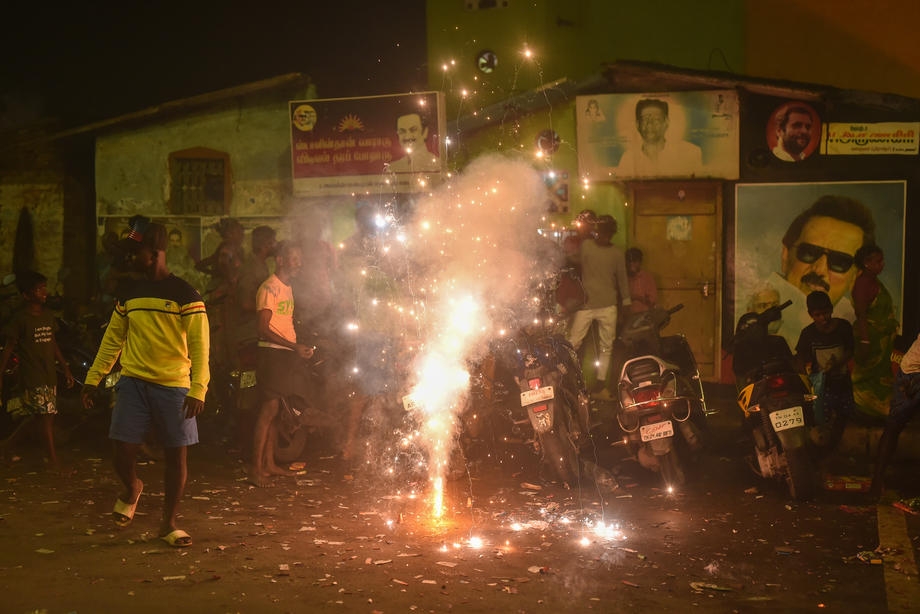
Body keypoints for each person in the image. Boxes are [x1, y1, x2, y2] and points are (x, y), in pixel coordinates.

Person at [81, 215, 210, 548]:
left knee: (175, 458)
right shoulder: (130, 293)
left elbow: (200, 347)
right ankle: (132, 487)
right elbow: (113, 339)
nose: (131, 259)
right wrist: (93, 379)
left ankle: (168, 523)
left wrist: (198, 388)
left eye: (136, 253)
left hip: (174, 386)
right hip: (133, 382)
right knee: (121, 451)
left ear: (155, 253)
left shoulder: (185, 294)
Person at [767, 194, 875, 348]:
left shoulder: (860, 329)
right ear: (785, 256)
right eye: (809, 253)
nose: (820, 270)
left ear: (854, 278)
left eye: (840, 262)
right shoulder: (750, 316)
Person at [250, 240, 315, 486]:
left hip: (284, 354)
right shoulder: (270, 288)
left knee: (277, 413)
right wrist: (294, 346)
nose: (299, 262)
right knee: (268, 412)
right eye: (294, 257)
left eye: (300, 257)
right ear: (280, 260)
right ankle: (255, 469)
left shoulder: (286, 287)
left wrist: (297, 348)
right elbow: (263, 329)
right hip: (272, 354)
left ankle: (269, 465)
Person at [0, 271, 74, 471]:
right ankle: (51, 458)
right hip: (32, 374)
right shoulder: (20, 320)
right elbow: (9, 347)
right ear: (26, 295)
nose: (44, 292)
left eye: (44, 288)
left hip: (49, 373)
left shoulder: (48, 316)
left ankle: (7, 445)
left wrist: (65, 368)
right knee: (45, 416)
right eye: (39, 289)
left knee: (39, 416)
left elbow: (53, 344)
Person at [566, 215, 632, 394]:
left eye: (606, 233)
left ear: (611, 233)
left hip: (606, 306)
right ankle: (571, 379)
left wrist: (626, 303)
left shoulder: (614, 253)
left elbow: (622, 280)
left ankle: (600, 382)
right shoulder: (590, 247)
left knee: (604, 347)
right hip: (589, 305)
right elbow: (575, 260)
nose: (604, 236)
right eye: (601, 232)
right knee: (573, 343)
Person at [794, 291, 854, 453]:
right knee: (821, 424)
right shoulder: (808, 334)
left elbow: (850, 351)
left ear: (831, 309)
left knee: (842, 418)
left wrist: (837, 363)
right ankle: (820, 456)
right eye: (817, 315)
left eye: (826, 313)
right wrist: (803, 379)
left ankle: (833, 451)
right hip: (821, 388)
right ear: (810, 314)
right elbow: (800, 358)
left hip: (843, 384)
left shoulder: (843, 327)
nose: (823, 318)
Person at [851, 244, 900, 417]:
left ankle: (882, 412)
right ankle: (864, 409)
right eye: (878, 261)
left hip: (882, 343)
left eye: (882, 260)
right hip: (870, 342)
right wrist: (865, 341)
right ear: (866, 263)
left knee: (882, 377)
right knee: (865, 378)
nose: (882, 264)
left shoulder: (874, 281)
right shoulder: (863, 283)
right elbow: (861, 316)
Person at [870, 332, 920, 497]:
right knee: (894, 426)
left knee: (893, 426)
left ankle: (877, 481)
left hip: (910, 371)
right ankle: (877, 481)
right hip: (913, 375)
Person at [616, 98, 703, 177]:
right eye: (645, 120)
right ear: (637, 125)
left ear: (666, 122)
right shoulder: (628, 159)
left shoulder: (690, 153)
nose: (650, 124)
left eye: (656, 120)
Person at [626, 247, 657, 314]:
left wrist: (637, 297)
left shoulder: (647, 278)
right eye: (629, 261)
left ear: (640, 262)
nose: (631, 264)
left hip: (644, 316)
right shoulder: (622, 278)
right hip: (626, 317)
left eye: (634, 261)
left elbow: (652, 301)